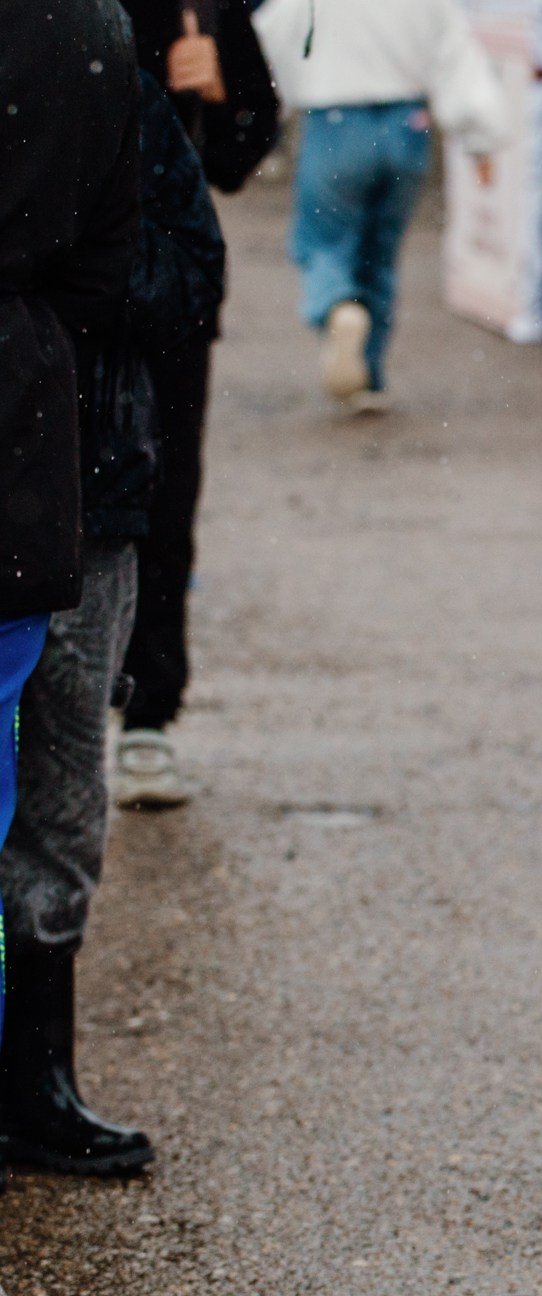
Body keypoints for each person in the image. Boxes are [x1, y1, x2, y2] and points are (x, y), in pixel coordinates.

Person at [0, 65, 224, 1178]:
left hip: (90, 491)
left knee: (60, 785)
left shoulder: (104, 81)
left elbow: (194, 275)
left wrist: (61, 279)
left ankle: (38, 1072)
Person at [0, 0, 143, 1188]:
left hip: (71, 471)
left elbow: (156, 271)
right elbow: (114, 265)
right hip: (39, 437)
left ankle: (34, 1075)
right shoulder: (89, 27)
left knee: (45, 782)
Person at [112, 0, 282, 811]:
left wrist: (220, 97)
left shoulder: (199, 5)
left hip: (163, 297)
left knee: (164, 497)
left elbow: (248, 146)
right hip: (47, 297)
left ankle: (148, 713)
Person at [253, 0, 504, 411]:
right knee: (380, 252)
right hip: (407, 123)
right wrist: (480, 134)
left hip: (336, 120)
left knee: (323, 239)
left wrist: (255, 121)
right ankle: (369, 373)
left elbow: (270, 39)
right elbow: (455, 52)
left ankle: (336, 306)